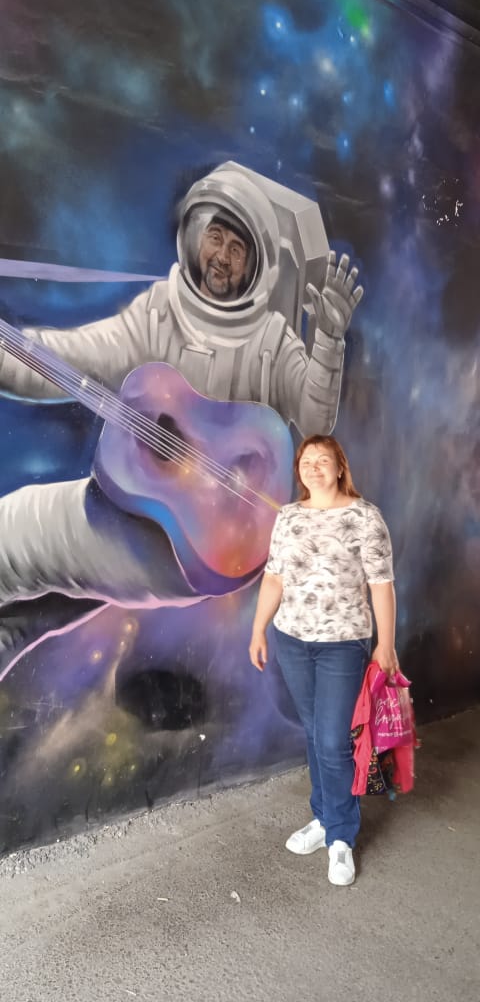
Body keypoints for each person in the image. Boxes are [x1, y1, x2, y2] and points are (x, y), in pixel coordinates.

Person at [0, 162, 363, 670]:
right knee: (31, 613)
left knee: (10, 536)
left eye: (237, 250)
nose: (222, 257)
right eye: (216, 237)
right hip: (135, 515)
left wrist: (328, 341)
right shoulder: (160, 311)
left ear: (255, 266)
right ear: (194, 236)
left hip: (181, 546)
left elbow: (316, 419)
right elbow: (65, 359)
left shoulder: (270, 339)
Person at [248, 433, 397, 886]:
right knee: (315, 734)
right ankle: (324, 816)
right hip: (292, 640)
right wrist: (258, 628)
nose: (314, 467)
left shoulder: (365, 517)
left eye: (323, 460)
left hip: (343, 644)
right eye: (306, 461)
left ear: (340, 467)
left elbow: (382, 585)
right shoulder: (289, 517)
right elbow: (274, 577)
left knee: (333, 742)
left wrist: (386, 645)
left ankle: (341, 837)